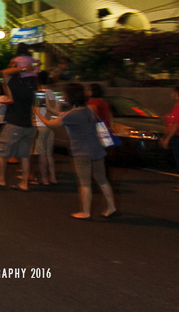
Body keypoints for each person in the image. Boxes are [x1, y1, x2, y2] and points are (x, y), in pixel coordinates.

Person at [35, 83, 117, 219]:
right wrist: (50, 109)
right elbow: (64, 114)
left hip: (82, 152)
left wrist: (38, 113)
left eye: (65, 94)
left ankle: (85, 212)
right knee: (102, 180)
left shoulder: (71, 115)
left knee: (84, 183)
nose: (63, 96)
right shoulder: (89, 109)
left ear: (71, 97)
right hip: (97, 149)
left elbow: (52, 124)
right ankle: (111, 207)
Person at [0, 60, 37, 190]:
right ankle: (24, 183)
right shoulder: (32, 84)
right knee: (25, 155)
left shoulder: (13, 82)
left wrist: (23, 68)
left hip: (15, 123)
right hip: (29, 124)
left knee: (0, 153)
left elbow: (4, 72)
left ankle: (0, 179)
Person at [32, 71, 58, 185]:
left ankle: (44, 178)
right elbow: (54, 109)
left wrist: (33, 110)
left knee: (42, 154)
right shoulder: (53, 93)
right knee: (49, 154)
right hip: (51, 125)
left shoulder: (40, 94)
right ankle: (53, 177)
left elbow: (38, 111)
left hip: (42, 125)